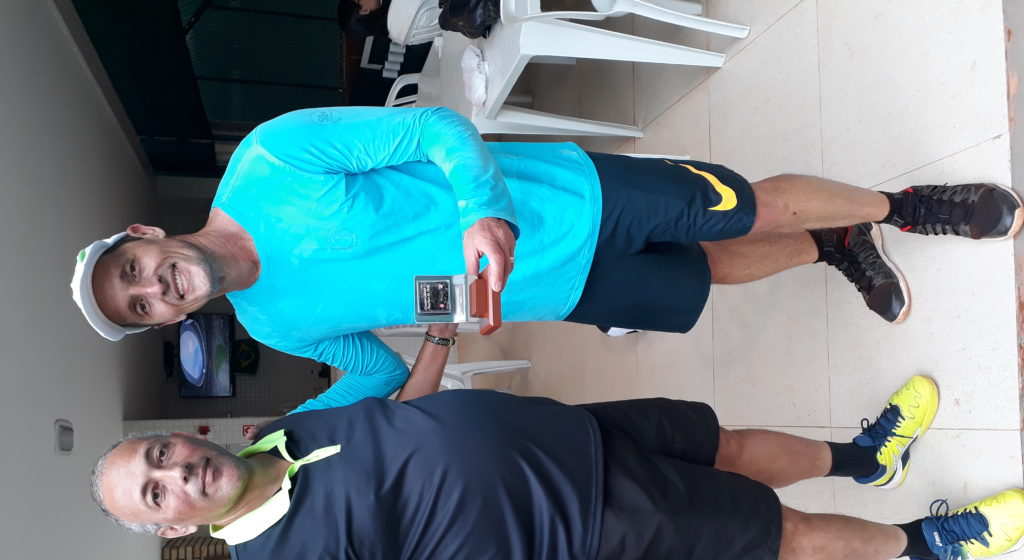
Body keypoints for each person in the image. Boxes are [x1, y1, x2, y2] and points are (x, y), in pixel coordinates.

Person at [70, 107, 1024, 411]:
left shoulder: (270, 161)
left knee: (743, 209)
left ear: (143, 236)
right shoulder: (271, 322)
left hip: (562, 197)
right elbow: (377, 374)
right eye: (142, 308)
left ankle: (906, 208)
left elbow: (434, 128)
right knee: (709, 275)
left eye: (133, 273)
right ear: (167, 321)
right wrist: (294, 440)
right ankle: (833, 245)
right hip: (556, 288)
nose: (153, 290)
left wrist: (481, 208)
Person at [91, 374, 1024, 560]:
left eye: (159, 455)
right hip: (590, 531)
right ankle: (929, 544)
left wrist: (441, 339)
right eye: (156, 493)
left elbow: (398, 421)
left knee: (729, 444)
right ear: (173, 530)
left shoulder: (286, 429)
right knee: (774, 532)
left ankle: (867, 458)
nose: (176, 473)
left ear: (183, 435)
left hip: (579, 433)